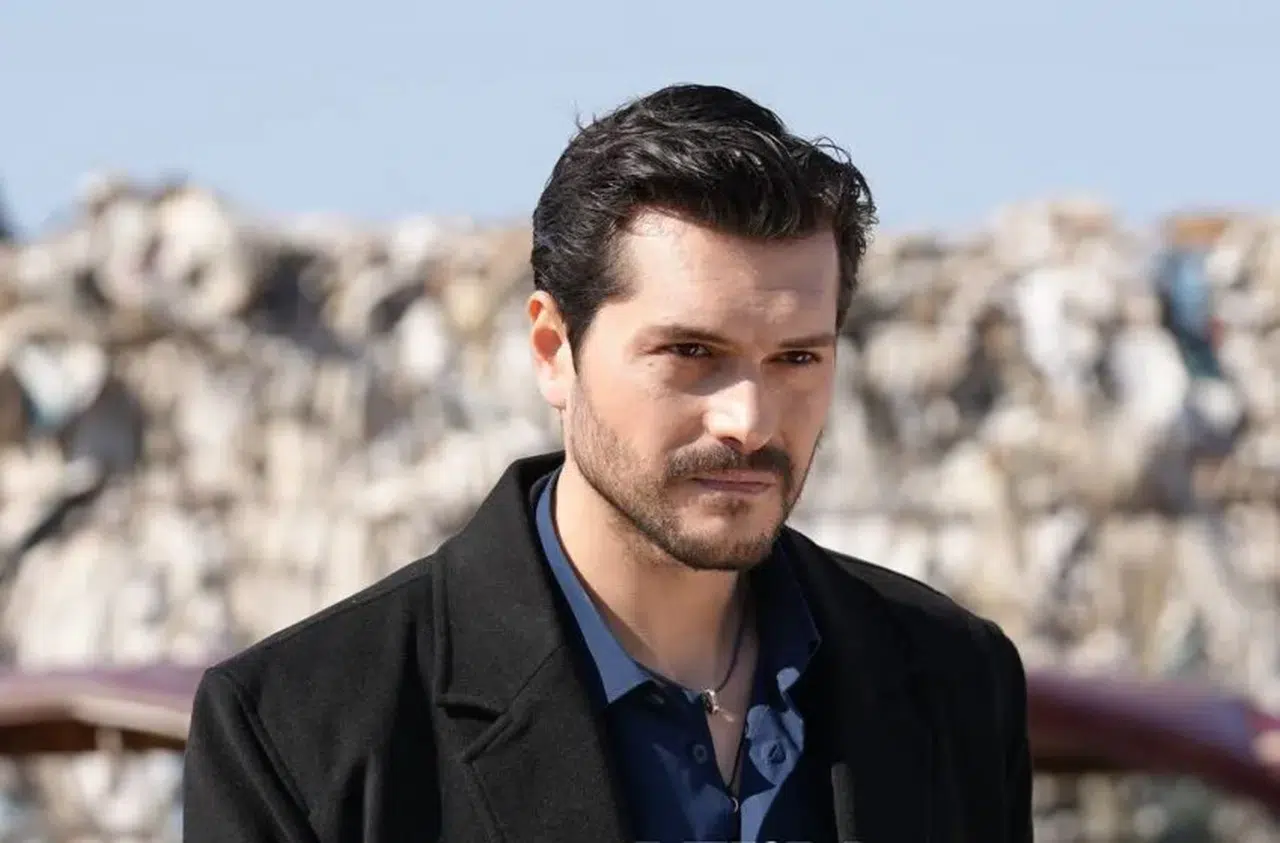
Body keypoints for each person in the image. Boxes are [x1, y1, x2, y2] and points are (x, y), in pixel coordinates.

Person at [183, 83, 1033, 843]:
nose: (748, 419)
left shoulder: (955, 681)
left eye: (797, 358)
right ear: (553, 350)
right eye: (692, 352)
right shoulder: (298, 735)